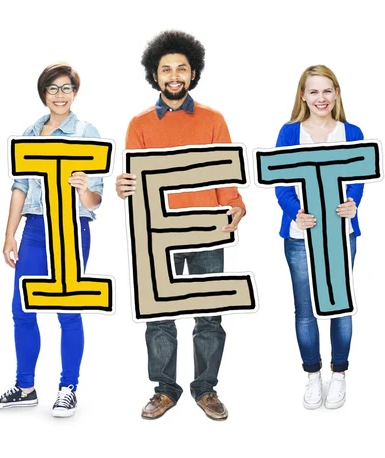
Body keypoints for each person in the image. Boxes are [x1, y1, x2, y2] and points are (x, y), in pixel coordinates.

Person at [115, 31, 246, 421]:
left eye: (181, 68)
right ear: (154, 75)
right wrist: (124, 186)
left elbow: (225, 173)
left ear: (193, 73)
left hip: (206, 229)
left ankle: (206, 389)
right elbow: (135, 180)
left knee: (209, 314)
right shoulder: (138, 124)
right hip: (158, 233)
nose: (174, 75)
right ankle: (164, 390)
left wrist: (236, 204)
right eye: (166, 69)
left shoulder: (213, 119)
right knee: (159, 314)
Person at [0, 62, 103, 417]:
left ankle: (68, 388)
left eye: (66, 88)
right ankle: (25, 387)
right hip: (35, 230)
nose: (60, 95)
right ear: (43, 94)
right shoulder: (31, 132)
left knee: (68, 310)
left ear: (75, 93)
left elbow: (96, 200)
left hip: (71, 228)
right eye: (53, 89)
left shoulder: (86, 132)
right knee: (22, 310)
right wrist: (10, 235)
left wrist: (83, 190)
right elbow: (20, 187)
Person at [274, 65, 364, 410]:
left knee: (341, 305)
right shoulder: (289, 133)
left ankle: (338, 374)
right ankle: (313, 375)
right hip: (300, 235)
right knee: (305, 309)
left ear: (336, 94)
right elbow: (280, 180)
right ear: (302, 96)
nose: (320, 98)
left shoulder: (351, 131)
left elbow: (358, 177)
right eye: (313, 91)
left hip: (341, 234)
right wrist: (294, 211)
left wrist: (353, 203)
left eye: (327, 91)